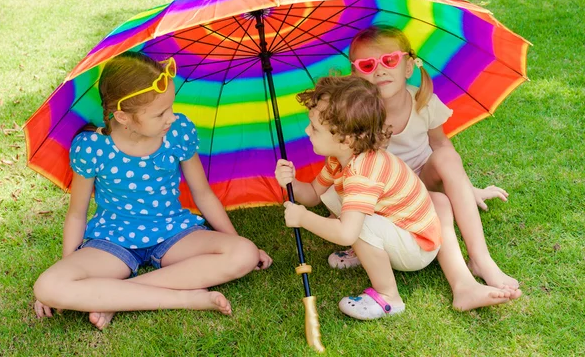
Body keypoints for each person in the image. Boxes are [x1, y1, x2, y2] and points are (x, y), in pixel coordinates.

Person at [33, 52, 272, 330]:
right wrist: (70, 268)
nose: (170, 117)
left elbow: (203, 194)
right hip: (111, 242)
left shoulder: (178, 131)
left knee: (243, 252)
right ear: (123, 117)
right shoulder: (91, 148)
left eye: (170, 107)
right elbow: (77, 215)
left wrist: (235, 240)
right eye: (160, 113)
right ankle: (186, 298)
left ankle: (113, 298)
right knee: (48, 286)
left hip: (174, 232)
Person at [275, 76, 512, 320]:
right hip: (402, 227)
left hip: (416, 247)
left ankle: (388, 297)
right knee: (338, 196)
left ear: (345, 140)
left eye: (314, 128)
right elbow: (314, 194)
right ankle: (368, 251)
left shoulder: (362, 173)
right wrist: (292, 182)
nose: (307, 131)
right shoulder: (341, 159)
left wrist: (303, 218)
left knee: (357, 225)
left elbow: (346, 233)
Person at [329, 24, 520, 295]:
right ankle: (458, 281)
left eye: (390, 60)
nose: (380, 70)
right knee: (439, 202)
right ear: (355, 73)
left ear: (408, 67)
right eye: (367, 65)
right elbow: (354, 171)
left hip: (422, 179)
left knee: (446, 156)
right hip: (388, 196)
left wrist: (463, 188)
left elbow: (441, 144)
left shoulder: (422, 101)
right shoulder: (356, 116)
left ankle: (480, 258)